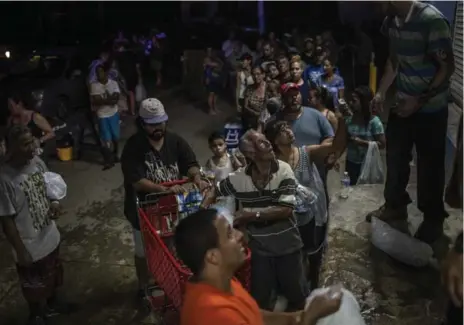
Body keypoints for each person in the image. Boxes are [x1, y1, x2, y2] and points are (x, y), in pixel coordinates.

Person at [366, 1, 455, 244]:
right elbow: (394, 61)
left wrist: (418, 101)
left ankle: (433, 220)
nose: (371, 5)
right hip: (403, 104)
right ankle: (395, 206)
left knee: (430, 166)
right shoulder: (390, 21)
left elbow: (447, 68)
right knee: (395, 157)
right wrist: (381, 92)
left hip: (431, 110)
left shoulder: (431, 21)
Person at [201, 130, 308, 312]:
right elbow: (214, 191)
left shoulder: (283, 169)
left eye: (266, 140)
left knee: (297, 296)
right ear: (250, 154)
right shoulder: (239, 178)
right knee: (261, 300)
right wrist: (201, 215)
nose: (268, 145)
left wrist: (252, 216)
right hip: (260, 251)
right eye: (260, 143)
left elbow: (286, 210)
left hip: (287, 247)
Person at [176, 209, 343, 325]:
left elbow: (256, 316)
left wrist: (298, 317)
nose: (240, 235)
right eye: (229, 234)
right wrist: (310, 317)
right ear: (212, 257)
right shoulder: (212, 314)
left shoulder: (223, 281)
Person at [120, 98, 209, 300]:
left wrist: (196, 177)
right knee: (144, 252)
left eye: (160, 122)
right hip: (143, 210)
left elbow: (191, 163)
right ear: (142, 124)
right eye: (152, 124)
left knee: (170, 246)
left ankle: (168, 281)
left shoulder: (175, 141)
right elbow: (137, 181)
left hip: (171, 207)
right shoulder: (133, 147)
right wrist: (164, 189)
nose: (158, 128)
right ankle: (144, 287)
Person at [264, 114, 347, 290]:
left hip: (311, 214)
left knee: (314, 253)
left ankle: (315, 284)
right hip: (288, 218)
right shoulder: (274, 164)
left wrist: (343, 121)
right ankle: (297, 288)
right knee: (293, 255)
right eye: (282, 130)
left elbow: (336, 146)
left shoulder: (305, 152)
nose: (288, 131)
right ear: (275, 140)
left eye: (288, 126)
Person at [0, 125, 67, 325]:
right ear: (11, 147)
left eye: (32, 141)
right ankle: (36, 315)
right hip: (29, 244)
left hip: (50, 235)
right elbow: (6, 220)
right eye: (25, 144)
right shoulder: (4, 179)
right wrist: (21, 251)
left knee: (54, 275)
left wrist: (55, 202)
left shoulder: (37, 163)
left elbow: (49, 188)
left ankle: (54, 305)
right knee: (33, 286)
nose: (32, 147)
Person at [345, 86, 386, 185]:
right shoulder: (348, 121)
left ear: (363, 102)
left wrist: (362, 143)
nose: (350, 103)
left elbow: (382, 144)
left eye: (354, 101)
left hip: (368, 164)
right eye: (350, 100)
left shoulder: (374, 122)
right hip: (351, 164)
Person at [90, 64, 121, 170]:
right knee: (106, 139)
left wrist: (105, 100)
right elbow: (96, 100)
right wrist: (109, 99)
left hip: (114, 113)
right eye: (97, 72)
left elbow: (116, 99)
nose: (99, 74)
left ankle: (115, 154)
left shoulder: (113, 83)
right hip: (102, 115)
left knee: (115, 137)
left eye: (101, 72)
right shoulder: (94, 85)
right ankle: (108, 160)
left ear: (106, 73)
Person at [7, 95, 55, 163]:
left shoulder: (35, 117)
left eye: (11, 106)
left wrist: (39, 140)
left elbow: (51, 133)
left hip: (34, 151)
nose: (9, 108)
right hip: (18, 154)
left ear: (20, 104)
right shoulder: (11, 120)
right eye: (8, 106)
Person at [242, 66, 267, 131]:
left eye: (258, 74)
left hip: (266, 120)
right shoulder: (249, 88)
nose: (256, 77)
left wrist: (261, 116)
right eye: (254, 75)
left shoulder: (268, 87)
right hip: (251, 120)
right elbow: (245, 106)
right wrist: (255, 113)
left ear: (263, 75)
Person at [204, 47, 224, 115]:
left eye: (211, 51)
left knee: (216, 94)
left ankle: (215, 108)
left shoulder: (216, 58)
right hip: (210, 79)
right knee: (211, 94)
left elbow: (221, 65)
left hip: (217, 78)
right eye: (208, 51)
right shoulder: (207, 59)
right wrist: (216, 64)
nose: (209, 52)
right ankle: (210, 110)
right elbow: (210, 65)